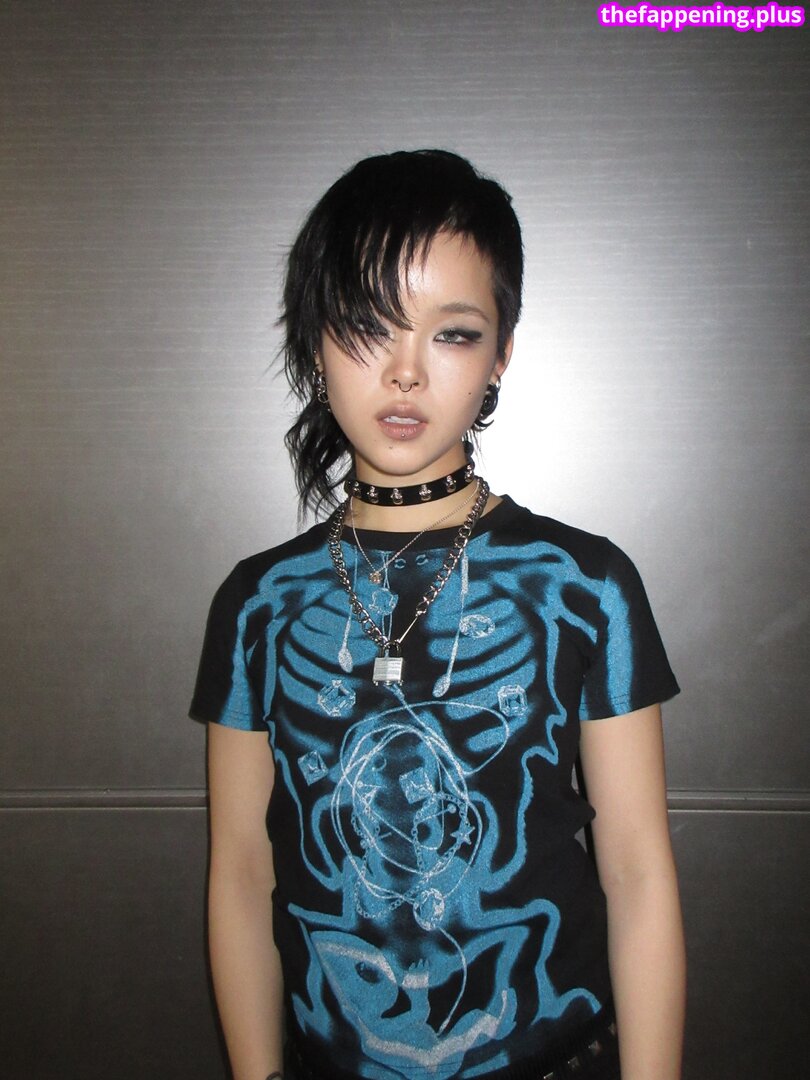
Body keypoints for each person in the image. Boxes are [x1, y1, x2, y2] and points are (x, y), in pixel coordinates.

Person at [190, 149, 686, 1080]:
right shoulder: (258, 603)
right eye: (365, 326)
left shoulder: (583, 583)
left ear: (502, 354)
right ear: (314, 341)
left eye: (453, 333)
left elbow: (636, 870)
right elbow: (242, 873)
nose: (406, 372)